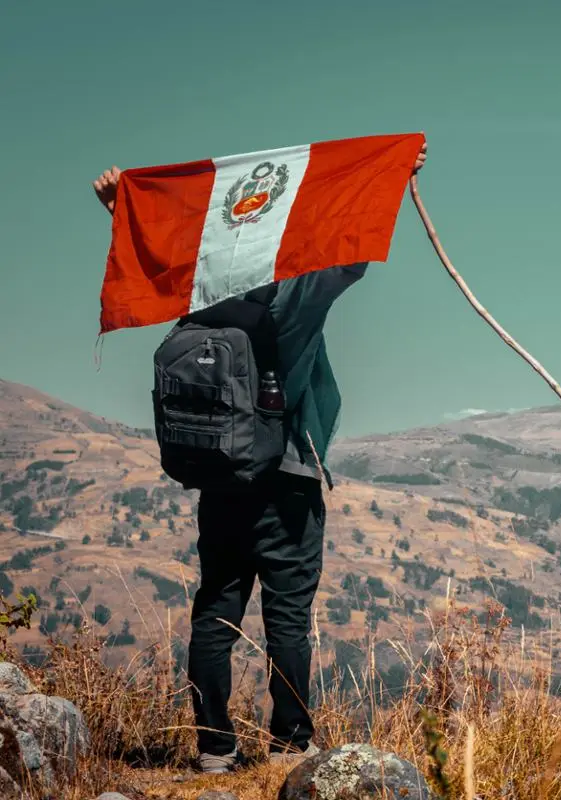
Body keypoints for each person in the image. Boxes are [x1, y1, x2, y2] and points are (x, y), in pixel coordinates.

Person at [91, 142, 426, 772]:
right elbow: (353, 252)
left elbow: (157, 251)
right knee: (289, 620)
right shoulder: (294, 296)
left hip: (220, 480)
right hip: (287, 481)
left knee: (215, 611)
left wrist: (119, 205)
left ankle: (214, 748)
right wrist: (391, 172)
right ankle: (289, 745)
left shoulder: (200, 294)